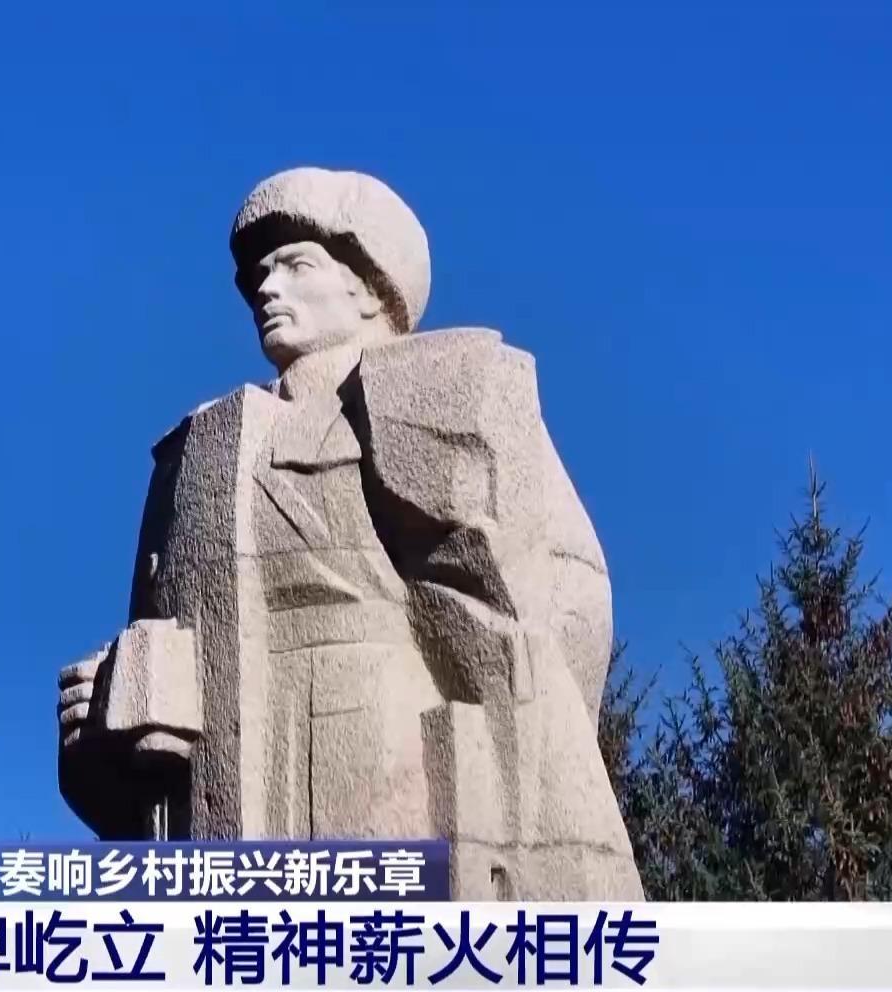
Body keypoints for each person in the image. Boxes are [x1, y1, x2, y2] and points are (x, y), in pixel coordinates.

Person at [56, 168, 642, 899]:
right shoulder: (196, 452)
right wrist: (108, 712)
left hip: (381, 755)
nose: (267, 289)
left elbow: (560, 608)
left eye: (297, 265)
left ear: (369, 289)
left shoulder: (447, 394)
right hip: (218, 801)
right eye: (258, 276)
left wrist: (521, 803)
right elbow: (150, 655)